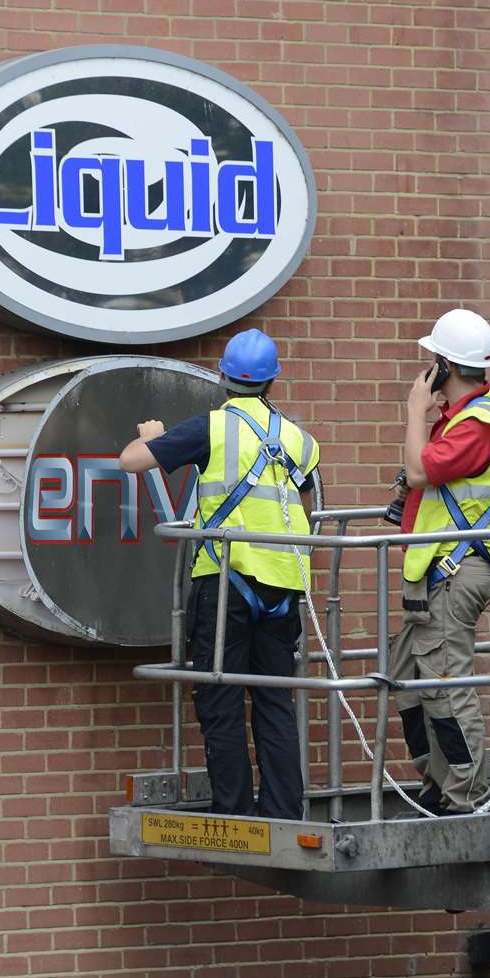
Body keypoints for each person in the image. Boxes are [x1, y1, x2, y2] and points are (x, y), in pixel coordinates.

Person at [118, 329, 322, 820]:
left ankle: (233, 812)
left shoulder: (212, 427)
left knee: (220, 694)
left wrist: (153, 438)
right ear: (274, 380)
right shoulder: (299, 438)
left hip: (226, 579)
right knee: (275, 701)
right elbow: (306, 506)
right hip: (284, 584)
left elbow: (131, 461)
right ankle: (283, 812)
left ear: (223, 376)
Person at [391, 308, 490, 816]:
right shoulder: (460, 421)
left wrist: (414, 412)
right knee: (408, 680)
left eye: (433, 362)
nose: (427, 369)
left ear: (446, 367)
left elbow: (420, 473)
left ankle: (468, 794)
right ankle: (438, 781)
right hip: (433, 569)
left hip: (455, 570)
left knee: (445, 683)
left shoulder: (478, 425)